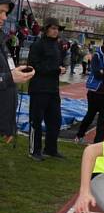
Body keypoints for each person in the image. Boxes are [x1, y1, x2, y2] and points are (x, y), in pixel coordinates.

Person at [27, 17, 66, 160]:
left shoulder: (58, 46)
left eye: (58, 29)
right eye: (54, 28)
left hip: (53, 90)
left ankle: (50, 149)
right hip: (39, 89)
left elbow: (57, 65)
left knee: (55, 121)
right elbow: (33, 67)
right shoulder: (37, 45)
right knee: (36, 121)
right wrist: (55, 70)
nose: (56, 31)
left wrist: (61, 69)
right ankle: (34, 150)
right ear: (46, 29)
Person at [0, 0, 35, 143]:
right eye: (0, 12)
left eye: (5, 13)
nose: (4, 17)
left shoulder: (2, 40)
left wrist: (8, 126)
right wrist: (9, 77)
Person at [74, 37, 104, 144]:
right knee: (90, 115)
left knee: (103, 120)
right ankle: (79, 135)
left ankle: (98, 143)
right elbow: (97, 73)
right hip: (95, 92)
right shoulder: (97, 56)